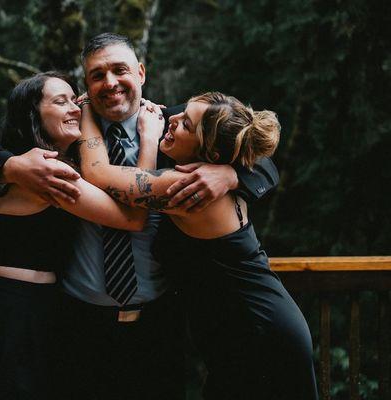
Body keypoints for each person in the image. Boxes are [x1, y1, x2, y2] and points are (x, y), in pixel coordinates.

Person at [0, 33, 279, 400]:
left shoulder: (178, 130)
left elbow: (263, 157)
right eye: (97, 75)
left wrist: (233, 174)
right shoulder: (67, 138)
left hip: (159, 320)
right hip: (77, 323)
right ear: (87, 87)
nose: (109, 83)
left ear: (141, 73)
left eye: (119, 70)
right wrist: (12, 165)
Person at [77, 91, 318, 400]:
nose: (171, 120)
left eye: (186, 125)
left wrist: (86, 107)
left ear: (211, 154)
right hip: (243, 331)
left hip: (259, 331)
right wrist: (232, 173)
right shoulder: (212, 168)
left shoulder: (186, 188)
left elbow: (96, 172)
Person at [0, 71, 155, 400]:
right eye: (61, 102)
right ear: (33, 114)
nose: (75, 109)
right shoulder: (48, 171)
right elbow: (132, 218)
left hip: (10, 307)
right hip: (19, 316)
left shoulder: (23, 161)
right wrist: (149, 140)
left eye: (76, 101)